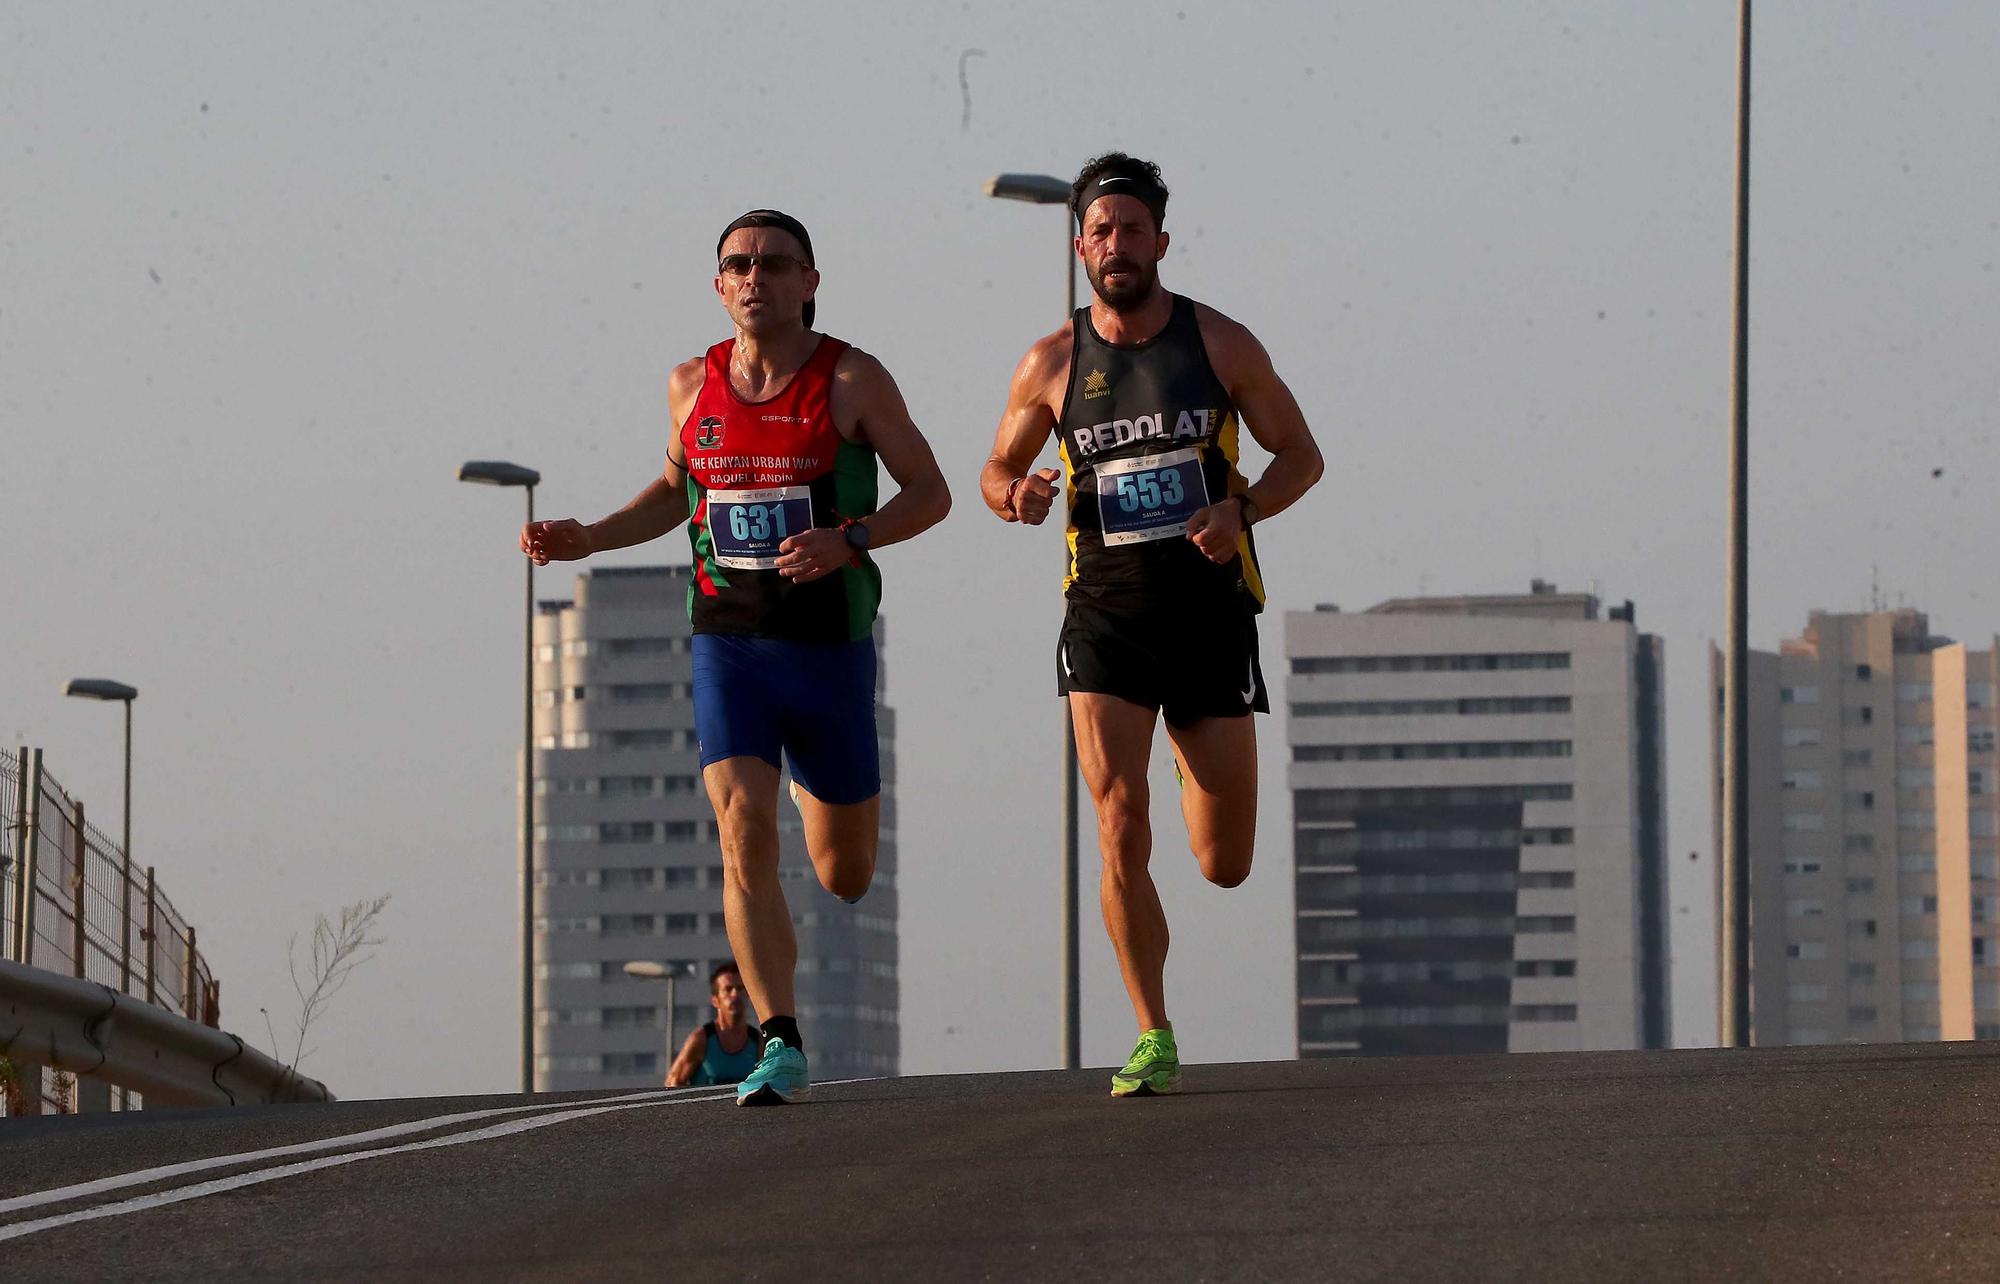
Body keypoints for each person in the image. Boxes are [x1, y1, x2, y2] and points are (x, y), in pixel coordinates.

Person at [524, 209, 950, 1105]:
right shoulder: (692, 384)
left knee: (845, 873)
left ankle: (813, 784)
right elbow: (677, 492)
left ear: (810, 281)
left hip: (827, 649)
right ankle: (781, 1040)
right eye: (737, 265)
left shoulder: (852, 380)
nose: (754, 278)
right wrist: (589, 536)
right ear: (719, 286)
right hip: (729, 644)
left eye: (774, 264)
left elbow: (933, 493)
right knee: (741, 831)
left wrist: (852, 538)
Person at [980, 154, 1324, 1097]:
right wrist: (1016, 494)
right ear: (1080, 245)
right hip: (1105, 619)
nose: (1117, 246)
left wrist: (1242, 510)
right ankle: (1153, 1032)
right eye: (1101, 232)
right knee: (1118, 823)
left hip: (1211, 614)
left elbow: (1303, 455)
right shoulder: (1050, 363)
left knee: (1224, 864)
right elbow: (994, 470)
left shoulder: (1220, 344)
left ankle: (1188, 749)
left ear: (1161, 243)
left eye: (1133, 230)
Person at [667, 962, 762, 1087]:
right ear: (715, 1000)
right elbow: (673, 1081)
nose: (735, 995)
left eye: (740, 988)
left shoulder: (758, 1041)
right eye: (728, 989)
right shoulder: (701, 1039)